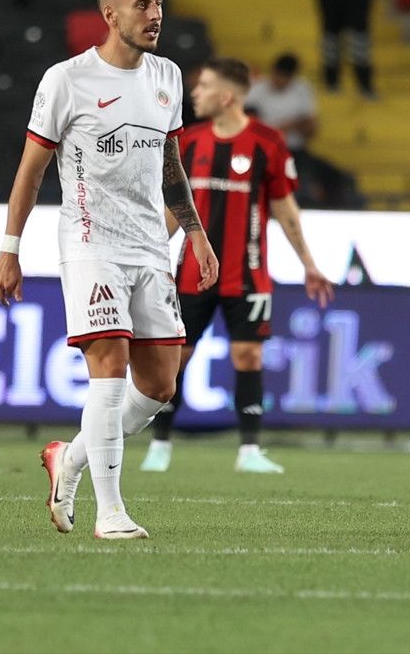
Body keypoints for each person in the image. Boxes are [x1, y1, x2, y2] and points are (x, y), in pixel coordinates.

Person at [0, 0, 219, 539]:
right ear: (110, 14)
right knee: (109, 370)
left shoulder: (167, 76)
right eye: (142, 4)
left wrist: (194, 232)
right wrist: (9, 249)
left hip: (149, 246)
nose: (155, 14)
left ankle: (68, 458)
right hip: (91, 244)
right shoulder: (68, 80)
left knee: (160, 386)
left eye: (158, 2)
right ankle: (110, 513)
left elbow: (171, 168)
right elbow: (31, 170)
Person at [140, 58, 335, 473]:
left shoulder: (268, 143)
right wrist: (147, 250)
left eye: (204, 85)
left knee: (248, 355)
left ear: (226, 96)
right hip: (191, 272)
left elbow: (284, 208)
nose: (195, 92)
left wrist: (309, 264)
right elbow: (176, 209)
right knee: (177, 359)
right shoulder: (188, 142)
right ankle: (160, 444)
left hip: (248, 273)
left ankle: (249, 450)